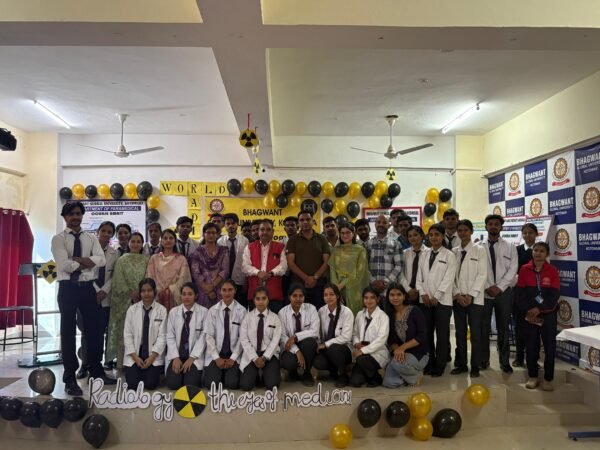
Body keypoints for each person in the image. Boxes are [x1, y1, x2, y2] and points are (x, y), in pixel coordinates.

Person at [51, 202, 114, 396]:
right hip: (68, 289)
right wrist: (88, 262)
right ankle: (70, 378)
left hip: (88, 289)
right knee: (68, 333)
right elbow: (64, 265)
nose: (75, 217)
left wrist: (77, 260)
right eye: (71, 214)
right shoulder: (58, 239)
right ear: (64, 217)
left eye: (78, 213)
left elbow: (101, 260)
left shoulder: (91, 238)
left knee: (94, 331)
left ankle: (96, 370)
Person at [516, 242, 560, 391]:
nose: (538, 253)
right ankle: (533, 376)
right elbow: (520, 294)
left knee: (549, 347)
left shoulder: (552, 270)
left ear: (547, 254)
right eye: (536, 250)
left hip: (548, 314)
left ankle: (548, 378)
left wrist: (539, 308)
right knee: (531, 346)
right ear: (532, 252)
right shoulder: (524, 269)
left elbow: (554, 295)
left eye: (542, 251)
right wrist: (530, 309)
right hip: (530, 314)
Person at [78, 221, 119, 377]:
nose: (106, 234)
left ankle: (97, 365)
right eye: (104, 231)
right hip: (88, 295)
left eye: (109, 232)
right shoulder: (87, 250)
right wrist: (95, 291)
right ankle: (84, 364)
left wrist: (103, 291)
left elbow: (115, 275)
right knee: (85, 333)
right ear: (97, 232)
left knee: (100, 333)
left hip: (105, 298)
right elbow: (84, 272)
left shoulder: (115, 254)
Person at [479, 214, 518, 374]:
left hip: (504, 293)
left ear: (501, 227)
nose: (493, 226)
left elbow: (513, 269)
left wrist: (499, 287)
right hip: (485, 292)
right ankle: (483, 360)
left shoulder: (510, 246)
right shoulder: (478, 247)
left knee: (503, 328)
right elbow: (477, 270)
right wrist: (487, 286)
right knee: (483, 328)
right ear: (486, 227)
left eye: (496, 224)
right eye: (490, 224)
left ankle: (504, 361)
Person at [416, 223, 457, 377]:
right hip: (425, 301)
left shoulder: (449, 255)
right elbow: (419, 277)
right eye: (431, 235)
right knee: (426, 334)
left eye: (437, 235)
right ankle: (429, 363)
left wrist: (437, 296)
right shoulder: (424, 254)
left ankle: (440, 365)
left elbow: (449, 279)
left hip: (442, 302)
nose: (433, 237)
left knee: (442, 334)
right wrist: (423, 294)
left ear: (443, 236)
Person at [106, 232, 150, 369]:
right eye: (133, 241)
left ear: (142, 244)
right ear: (129, 243)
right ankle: (123, 363)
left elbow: (148, 277)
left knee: (141, 331)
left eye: (138, 242)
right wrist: (131, 293)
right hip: (125, 302)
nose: (136, 244)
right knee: (126, 332)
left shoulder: (146, 260)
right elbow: (118, 280)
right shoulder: (122, 260)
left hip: (143, 300)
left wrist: (141, 293)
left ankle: (141, 362)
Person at [451, 219, 487, 378]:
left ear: (471, 232)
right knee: (459, 333)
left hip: (475, 299)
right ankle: (462, 365)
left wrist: (471, 294)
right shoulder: (454, 251)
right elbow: (451, 276)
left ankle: (475, 366)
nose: (463, 233)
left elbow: (482, 275)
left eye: (466, 230)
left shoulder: (480, 250)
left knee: (476, 334)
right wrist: (457, 294)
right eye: (460, 230)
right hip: (458, 298)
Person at [123, 278, 167, 390]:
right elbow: (127, 335)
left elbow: (162, 337)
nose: (146, 294)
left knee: (151, 384)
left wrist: (152, 357)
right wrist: (135, 357)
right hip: (135, 354)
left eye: (149, 290)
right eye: (143, 291)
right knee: (132, 385)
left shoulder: (162, 310)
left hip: (152, 354)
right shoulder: (132, 310)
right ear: (140, 293)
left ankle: (148, 373)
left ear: (154, 292)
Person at [203, 280, 247, 389]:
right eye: (224, 290)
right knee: (211, 385)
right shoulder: (212, 311)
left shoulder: (242, 311)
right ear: (220, 291)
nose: (227, 293)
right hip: (217, 353)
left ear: (235, 291)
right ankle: (220, 373)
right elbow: (209, 337)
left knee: (232, 384)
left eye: (230, 290)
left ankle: (225, 374)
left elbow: (243, 338)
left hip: (233, 354)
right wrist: (216, 358)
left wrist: (233, 358)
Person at [382, 283, 429, 388]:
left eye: (399, 294)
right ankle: (409, 377)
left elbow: (421, 336)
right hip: (400, 354)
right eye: (392, 295)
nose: (395, 298)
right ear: (388, 297)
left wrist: (402, 348)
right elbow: (391, 339)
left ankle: (416, 375)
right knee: (388, 382)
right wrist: (397, 350)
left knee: (395, 363)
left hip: (419, 354)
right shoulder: (389, 315)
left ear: (404, 296)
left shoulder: (415, 311)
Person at [239, 287, 282, 391]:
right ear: (254, 300)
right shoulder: (247, 317)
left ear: (268, 299)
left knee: (272, 385)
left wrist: (264, 357)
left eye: (264, 298)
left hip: (269, 354)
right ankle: (256, 375)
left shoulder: (275, 318)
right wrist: (255, 358)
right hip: (252, 353)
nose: (261, 302)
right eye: (258, 299)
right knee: (246, 385)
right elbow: (244, 339)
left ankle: (266, 374)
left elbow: (275, 341)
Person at [165, 283, 207, 390]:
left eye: (190, 294)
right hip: (177, 355)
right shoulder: (173, 312)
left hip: (193, 357)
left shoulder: (204, 312)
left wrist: (192, 358)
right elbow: (170, 336)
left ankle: (191, 373)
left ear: (196, 296)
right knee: (173, 384)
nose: (186, 297)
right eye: (184, 294)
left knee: (190, 385)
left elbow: (203, 337)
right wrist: (175, 357)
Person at [286, 210, 331, 309]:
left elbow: (327, 261)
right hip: (298, 285)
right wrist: (306, 278)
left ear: (313, 221)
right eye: (302, 220)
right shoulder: (293, 240)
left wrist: (314, 278)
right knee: (299, 312)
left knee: (319, 312)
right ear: (298, 223)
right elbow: (290, 263)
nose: (305, 222)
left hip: (318, 284)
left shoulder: (322, 239)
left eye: (308, 219)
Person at [242, 219, 288, 313]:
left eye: (268, 230)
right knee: (255, 321)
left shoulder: (280, 247)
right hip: (254, 294)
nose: (265, 232)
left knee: (274, 321)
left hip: (274, 294)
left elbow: (284, 266)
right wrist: (258, 273)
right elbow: (245, 266)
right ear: (258, 231)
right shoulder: (249, 247)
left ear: (273, 232)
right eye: (262, 229)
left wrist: (270, 274)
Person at [278, 284, 320, 386]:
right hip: (290, 347)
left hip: (306, 345)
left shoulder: (311, 309)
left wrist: (296, 337)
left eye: (301, 296)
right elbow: (283, 337)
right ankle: (292, 372)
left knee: (310, 343)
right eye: (294, 296)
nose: (298, 299)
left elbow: (315, 331)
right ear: (289, 297)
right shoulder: (282, 313)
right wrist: (297, 351)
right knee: (288, 362)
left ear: (304, 297)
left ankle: (307, 372)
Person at [313, 283, 354, 387]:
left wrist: (326, 344)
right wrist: (319, 345)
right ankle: (334, 370)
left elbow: (346, 337)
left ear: (338, 296)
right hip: (327, 348)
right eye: (325, 295)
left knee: (334, 348)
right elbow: (318, 333)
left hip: (343, 349)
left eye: (331, 294)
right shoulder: (321, 311)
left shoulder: (347, 312)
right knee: (317, 362)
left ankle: (343, 374)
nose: (328, 297)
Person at [350, 286, 390, 387]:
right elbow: (355, 333)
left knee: (361, 359)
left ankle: (376, 378)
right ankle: (368, 374)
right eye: (366, 298)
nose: (369, 300)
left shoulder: (383, 317)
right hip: (361, 352)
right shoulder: (360, 314)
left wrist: (363, 351)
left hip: (377, 353)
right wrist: (357, 343)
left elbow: (381, 340)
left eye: (372, 297)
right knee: (355, 382)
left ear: (378, 299)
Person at [328, 222, 369, 314]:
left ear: (353, 233)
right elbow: (332, 271)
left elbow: (360, 272)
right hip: (337, 289)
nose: (345, 235)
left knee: (354, 315)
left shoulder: (360, 250)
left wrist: (342, 285)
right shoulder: (336, 250)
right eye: (342, 233)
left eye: (348, 232)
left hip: (354, 288)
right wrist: (336, 289)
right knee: (339, 315)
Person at [146, 229, 192, 311]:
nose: (168, 240)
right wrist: (158, 289)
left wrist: (170, 289)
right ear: (161, 241)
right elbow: (150, 277)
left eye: (171, 238)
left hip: (175, 297)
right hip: (157, 295)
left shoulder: (181, 259)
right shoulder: (154, 258)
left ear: (175, 241)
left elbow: (183, 278)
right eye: (165, 238)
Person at [513, 223, 538, 367]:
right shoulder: (517, 250)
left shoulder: (539, 249)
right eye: (525, 233)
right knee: (519, 327)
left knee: (534, 327)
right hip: (519, 294)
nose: (527, 235)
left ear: (536, 234)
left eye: (531, 232)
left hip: (534, 296)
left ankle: (533, 359)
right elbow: (513, 270)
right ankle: (519, 357)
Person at [189, 223, 229, 308]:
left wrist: (212, 286)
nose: (211, 235)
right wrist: (206, 289)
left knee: (219, 313)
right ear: (203, 234)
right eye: (208, 232)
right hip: (202, 289)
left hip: (219, 288)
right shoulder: (198, 251)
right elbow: (195, 272)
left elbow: (224, 270)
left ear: (217, 235)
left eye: (213, 233)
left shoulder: (223, 251)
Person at [364, 215, 404, 302]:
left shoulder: (396, 243)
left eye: (384, 222)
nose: (381, 224)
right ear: (375, 224)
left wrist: (385, 282)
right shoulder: (367, 244)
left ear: (389, 225)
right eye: (378, 222)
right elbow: (364, 266)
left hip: (390, 290)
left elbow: (399, 266)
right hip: (372, 289)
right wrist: (373, 281)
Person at [217, 213, 249, 306]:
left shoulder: (245, 241)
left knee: (240, 306)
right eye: (228, 224)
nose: (231, 226)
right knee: (225, 305)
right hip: (224, 280)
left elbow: (247, 262)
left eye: (233, 223)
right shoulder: (219, 241)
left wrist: (246, 282)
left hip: (240, 280)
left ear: (237, 224)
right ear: (224, 225)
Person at [400, 225, 426, 306]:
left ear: (422, 236)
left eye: (415, 235)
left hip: (424, 293)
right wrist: (408, 289)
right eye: (410, 236)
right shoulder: (404, 253)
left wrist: (419, 289)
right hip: (408, 292)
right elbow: (401, 273)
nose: (412, 238)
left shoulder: (429, 252)